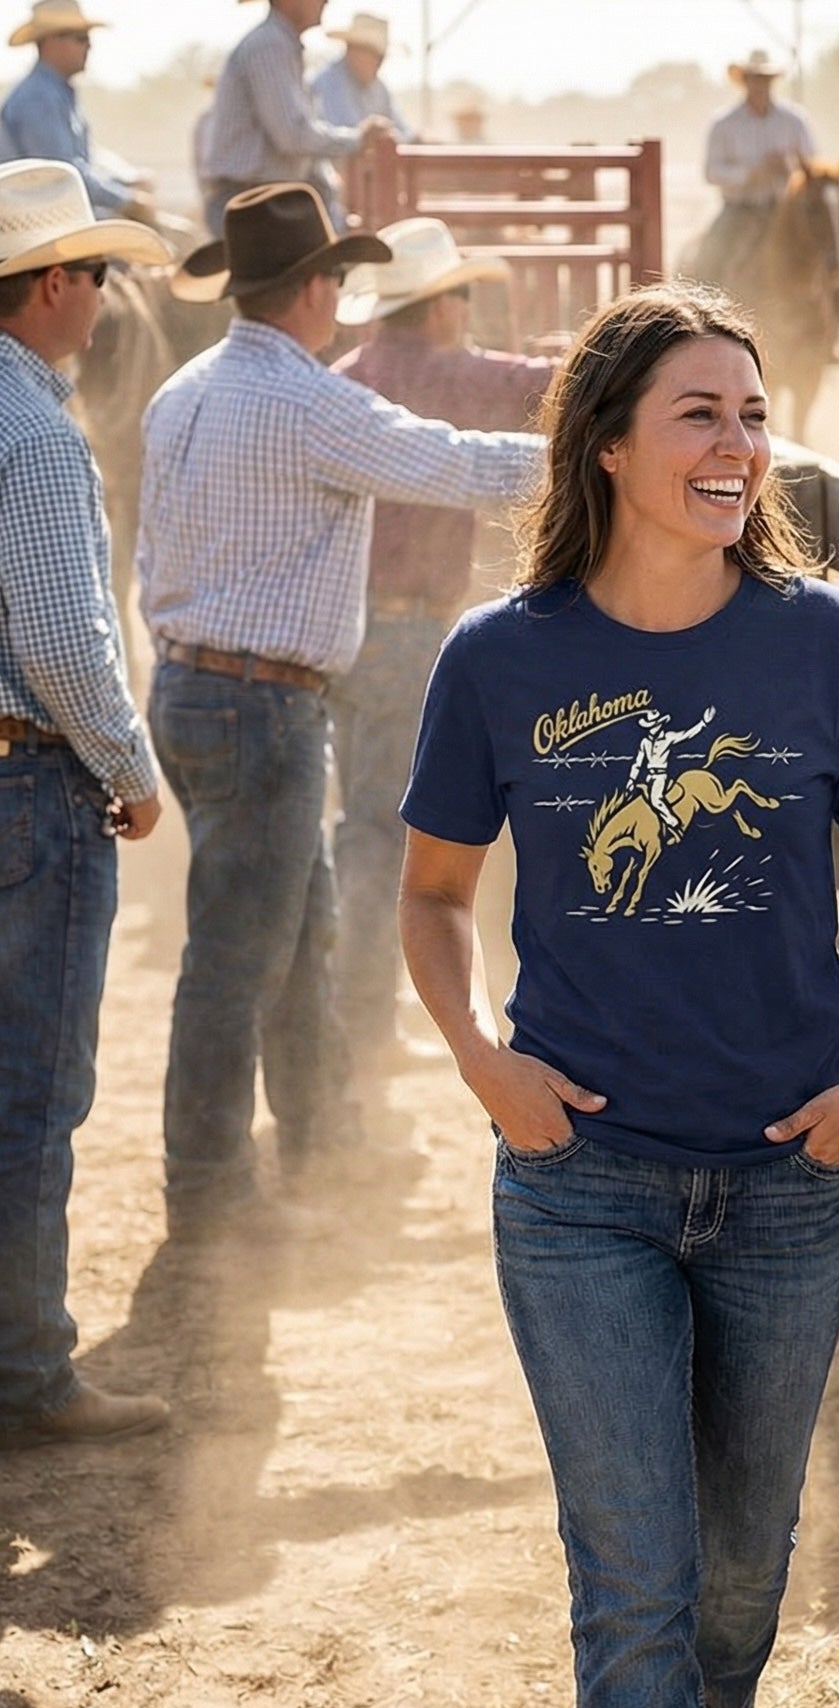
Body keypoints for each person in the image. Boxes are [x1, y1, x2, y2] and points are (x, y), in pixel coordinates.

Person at [397, 282, 839, 1708]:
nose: (737, 445)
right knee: (637, 1589)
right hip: (580, 1181)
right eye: (698, 414)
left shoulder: (826, 645)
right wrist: (481, 1057)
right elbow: (435, 895)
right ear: (607, 443)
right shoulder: (497, 656)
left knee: (739, 1589)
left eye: (751, 415)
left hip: (786, 1181)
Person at [135, 183, 543, 1243]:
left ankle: (318, 1137)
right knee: (241, 951)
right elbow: (453, 463)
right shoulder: (307, 402)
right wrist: (600, 460)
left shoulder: (183, 391)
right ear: (315, 289)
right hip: (260, 699)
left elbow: (150, 540)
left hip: (191, 682)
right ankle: (210, 1189)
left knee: (291, 920)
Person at [0, 159, 172, 1448]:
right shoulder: (38, 434)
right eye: (100, 274)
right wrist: (129, 767)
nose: (108, 299)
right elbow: (64, 639)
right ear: (53, 282)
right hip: (29, 780)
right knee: (34, 1088)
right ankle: (26, 1372)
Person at [328, 216, 555, 1074]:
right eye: (458, 296)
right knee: (400, 834)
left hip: (348, 628)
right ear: (439, 305)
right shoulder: (456, 374)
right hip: (410, 630)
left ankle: (360, 1017)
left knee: (363, 823)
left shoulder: (347, 377)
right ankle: (368, 1030)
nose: (464, 312)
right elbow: (552, 382)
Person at [200, 0, 391, 237]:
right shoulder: (270, 46)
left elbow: (299, 141)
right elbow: (292, 136)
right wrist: (358, 140)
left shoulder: (281, 47)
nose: (325, 1)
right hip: (252, 203)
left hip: (261, 199)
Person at [1, 1, 150, 219]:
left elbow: (79, 163)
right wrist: (125, 200)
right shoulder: (39, 98)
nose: (89, 46)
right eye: (81, 38)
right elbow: (61, 176)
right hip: (42, 223)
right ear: (52, 42)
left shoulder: (53, 93)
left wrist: (126, 183)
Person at [692, 47, 814, 288]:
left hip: (783, 209)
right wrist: (749, 175)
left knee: (819, 253)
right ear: (745, 82)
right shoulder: (724, 123)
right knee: (709, 258)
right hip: (739, 209)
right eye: (755, 79)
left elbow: (811, 164)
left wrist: (788, 166)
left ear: (772, 82)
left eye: (765, 79)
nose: (760, 85)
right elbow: (711, 171)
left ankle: (828, 304)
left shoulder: (794, 121)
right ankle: (705, 301)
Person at [311, 10, 412, 139]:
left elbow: (402, 131)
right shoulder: (326, 84)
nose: (379, 63)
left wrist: (415, 138)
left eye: (381, 56)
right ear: (352, 49)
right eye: (374, 54)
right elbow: (333, 140)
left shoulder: (379, 88)